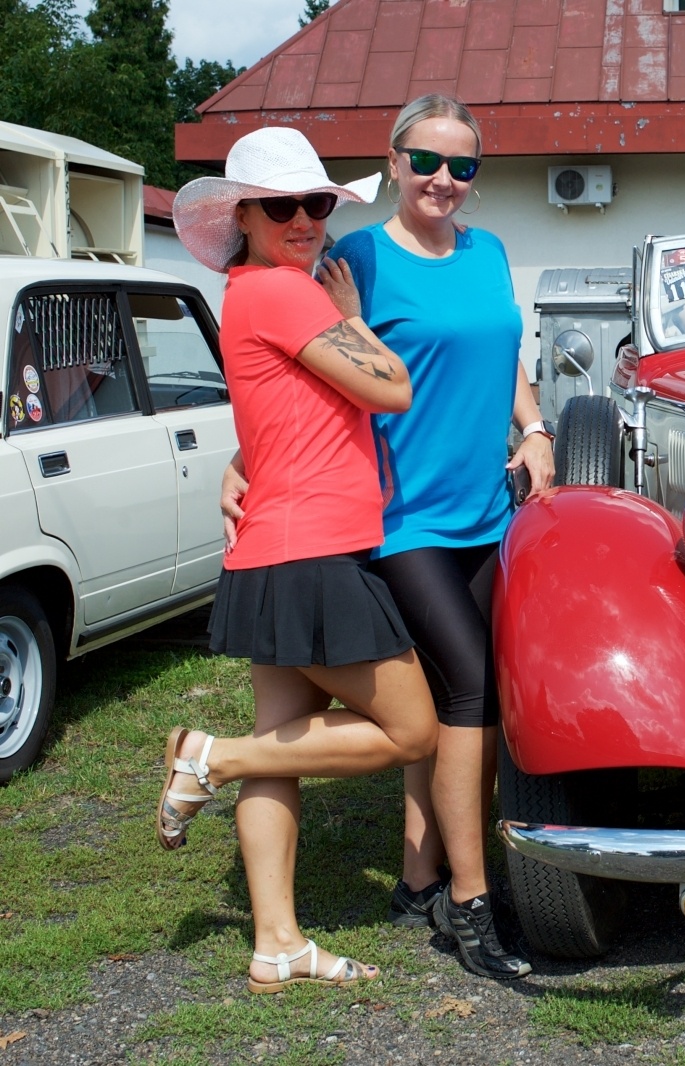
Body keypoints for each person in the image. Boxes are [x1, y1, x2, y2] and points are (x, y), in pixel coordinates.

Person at [223, 95, 552, 980]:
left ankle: (422, 874)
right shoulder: (352, 257)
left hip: (487, 510)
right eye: (427, 160)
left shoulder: (488, 254)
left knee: (466, 698)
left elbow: (502, 348)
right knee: (469, 691)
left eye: (464, 165)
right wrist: (242, 460)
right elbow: (294, 367)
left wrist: (536, 427)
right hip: (401, 520)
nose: (444, 179)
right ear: (395, 162)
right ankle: (473, 905)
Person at [162, 126, 438, 994]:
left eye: (315, 203)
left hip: (273, 548)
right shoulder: (285, 294)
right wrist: (353, 315)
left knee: (283, 745)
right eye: (279, 205)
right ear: (241, 215)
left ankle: (276, 941)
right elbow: (392, 387)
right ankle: (212, 755)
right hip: (311, 551)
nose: (303, 220)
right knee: (412, 729)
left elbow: (280, 420)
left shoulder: (249, 292)